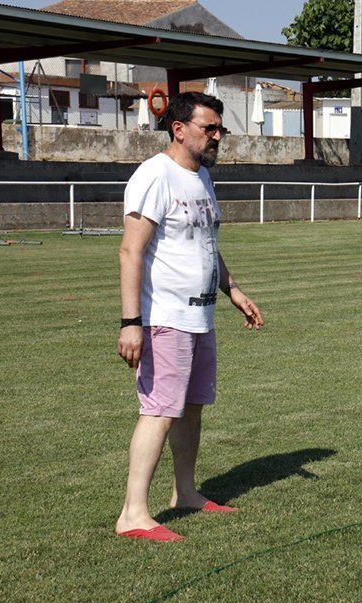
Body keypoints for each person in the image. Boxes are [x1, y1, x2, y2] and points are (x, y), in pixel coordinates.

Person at [115, 91, 264, 542]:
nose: (218, 137)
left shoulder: (201, 178)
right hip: (165, 317)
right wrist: (130, 322)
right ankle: (133, 514)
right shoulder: (154, 176)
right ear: (179, 129)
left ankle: (186, 493)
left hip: (202, 317)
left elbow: (205, 244)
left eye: (221, 129)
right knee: (159, 411)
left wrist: (233, 289)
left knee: (192, 408)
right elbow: (130, 252)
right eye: (209, 129)